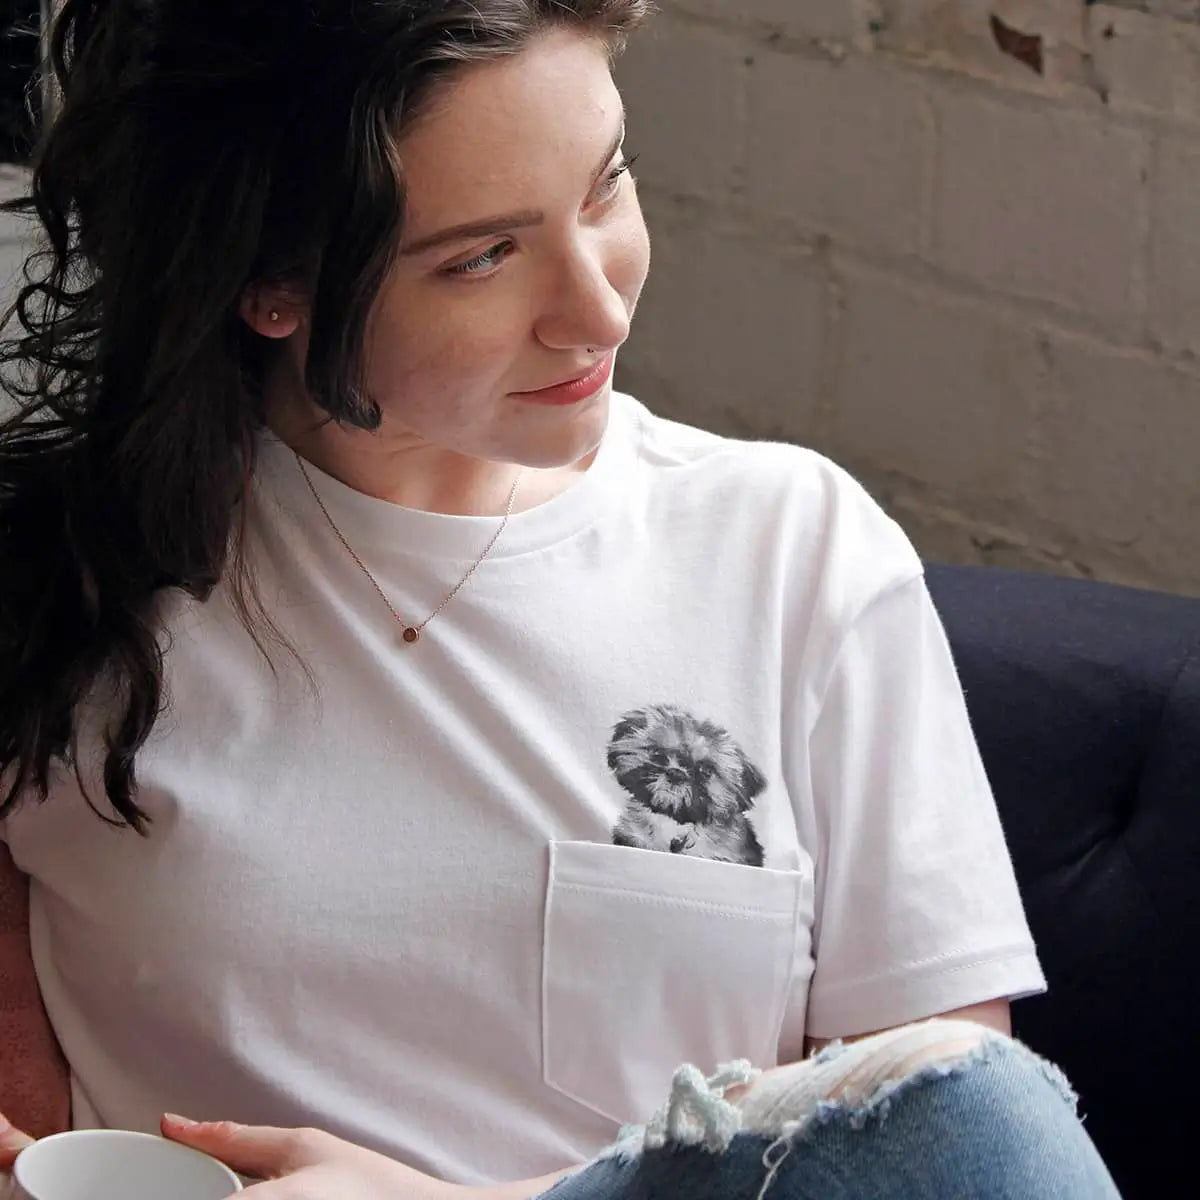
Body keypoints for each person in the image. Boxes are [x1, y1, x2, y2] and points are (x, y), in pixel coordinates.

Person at [0, 2, 1121, 1197]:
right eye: (482, 255)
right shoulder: (62, 594)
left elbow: (936, 1147)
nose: (598, 308)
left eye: (606, 188)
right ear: (271, 282)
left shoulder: (793, 550)